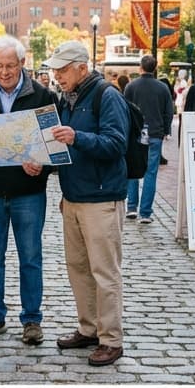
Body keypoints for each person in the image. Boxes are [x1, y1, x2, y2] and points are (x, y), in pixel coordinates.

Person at [0, 36, 56, 346]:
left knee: (30, 257)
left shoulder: (42, 95)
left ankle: (32, 320)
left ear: (22, 64)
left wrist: (42, 164)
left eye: (10, 66)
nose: (4, 72)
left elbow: (54, 144)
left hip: (28, 192)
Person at [45, 40, 129, 367]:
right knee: (78, 268)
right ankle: (89, 328)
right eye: (55, 70)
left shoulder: (107, 96)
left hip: (102, 198)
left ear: (82, 67)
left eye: (63, 70)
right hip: (74, 198)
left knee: (104, 272)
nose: (57, 76)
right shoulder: (69, 100)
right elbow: (65, 148)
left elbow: (116, 144)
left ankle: (111, 339)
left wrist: (76, 137)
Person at [123, 55, 174, 224]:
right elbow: (169, 111)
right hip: (155, 133)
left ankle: (131, 207)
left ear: (140, 67)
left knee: (133, 170)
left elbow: (125, 110)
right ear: (156, 67)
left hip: (136, 134)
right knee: (151, 173)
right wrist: (166, 130)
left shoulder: (131, 86)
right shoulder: (162, 88)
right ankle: (145, 212)